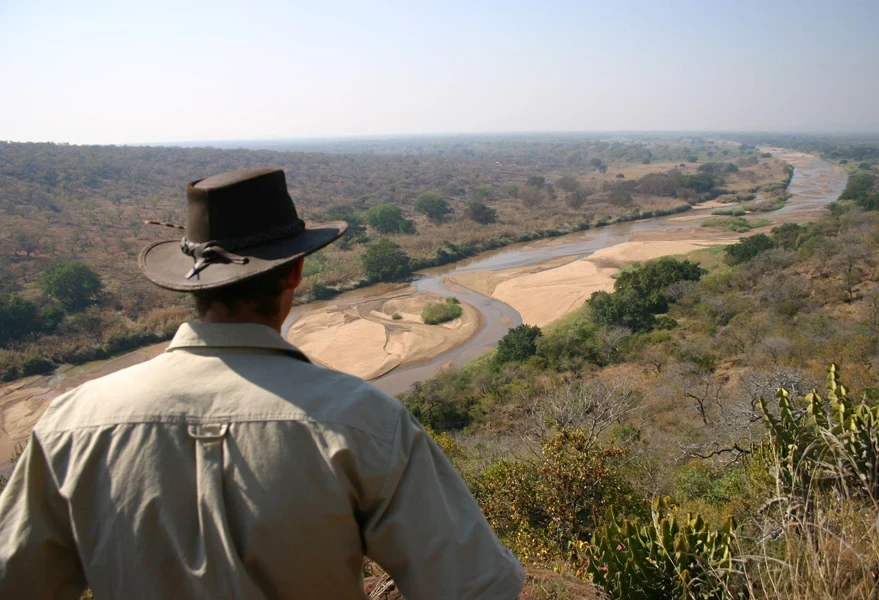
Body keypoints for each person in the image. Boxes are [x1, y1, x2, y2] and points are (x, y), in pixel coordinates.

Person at [0, 168, 524, 599]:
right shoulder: (363, 423)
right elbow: (476, 588)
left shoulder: (73, 423)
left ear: (193, 282)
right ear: (295, 272)